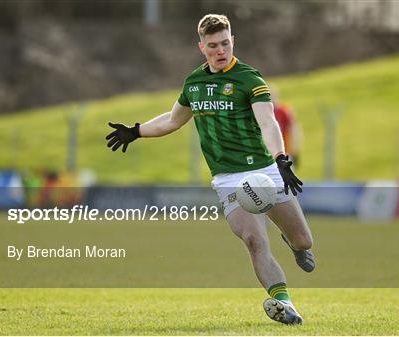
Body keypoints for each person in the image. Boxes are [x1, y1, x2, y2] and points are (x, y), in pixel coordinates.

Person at [105, 14, 314, 325]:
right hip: (228, 179)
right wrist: (136, 131)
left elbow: (267, 122)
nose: (221, 50)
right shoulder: (194, 83)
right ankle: (285, 304)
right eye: (213, 45)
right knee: (254, 241)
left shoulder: (250, 79)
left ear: (233, 41)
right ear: (201, 47)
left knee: (303, 241)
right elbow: (173, 120)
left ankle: (295, 245)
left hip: (265, 171)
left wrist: (281, 159)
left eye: (226, 43)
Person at [271, 88, 303, 168]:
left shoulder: (283, 111)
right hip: (269, 156)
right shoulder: (263, 112)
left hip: (284, 153)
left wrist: (295, 151)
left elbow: (294, 129)